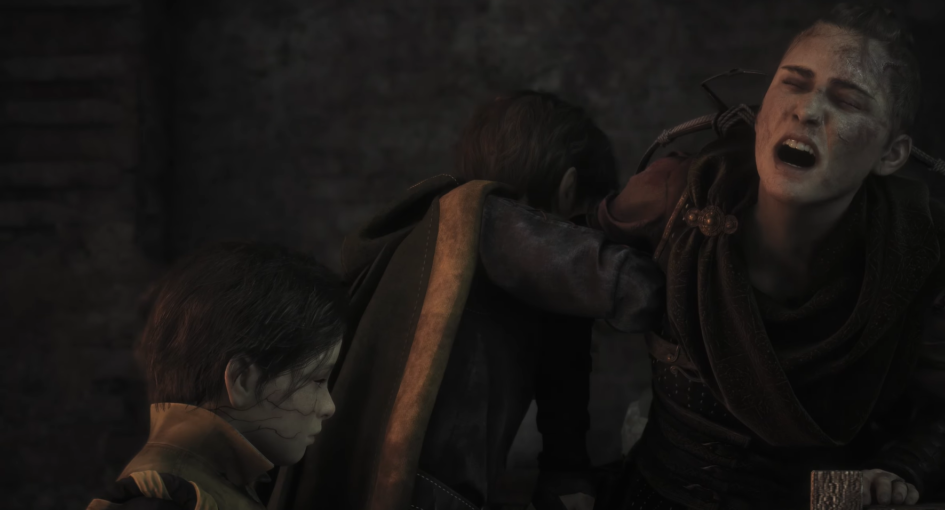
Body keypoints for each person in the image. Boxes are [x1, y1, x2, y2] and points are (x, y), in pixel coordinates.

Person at [593, 4, 945, 509]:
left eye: (847, 100)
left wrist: (897, 471)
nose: (807, 110)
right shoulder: (675, 195)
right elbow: (557, 290)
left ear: (891, 154)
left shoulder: (919, 252)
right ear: (762, 107)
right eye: (793, 83)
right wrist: (562, 464)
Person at [277, 93, 665, 510]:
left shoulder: (433, 240)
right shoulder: (488, 221)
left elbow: (561, 352)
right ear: (568, 189)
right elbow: (638, 289)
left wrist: (566, 469)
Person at [85, 242, 349, 510]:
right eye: (317, 380)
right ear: (243, 380)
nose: (329, 407)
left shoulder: (198, 489)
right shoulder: (165, 501)